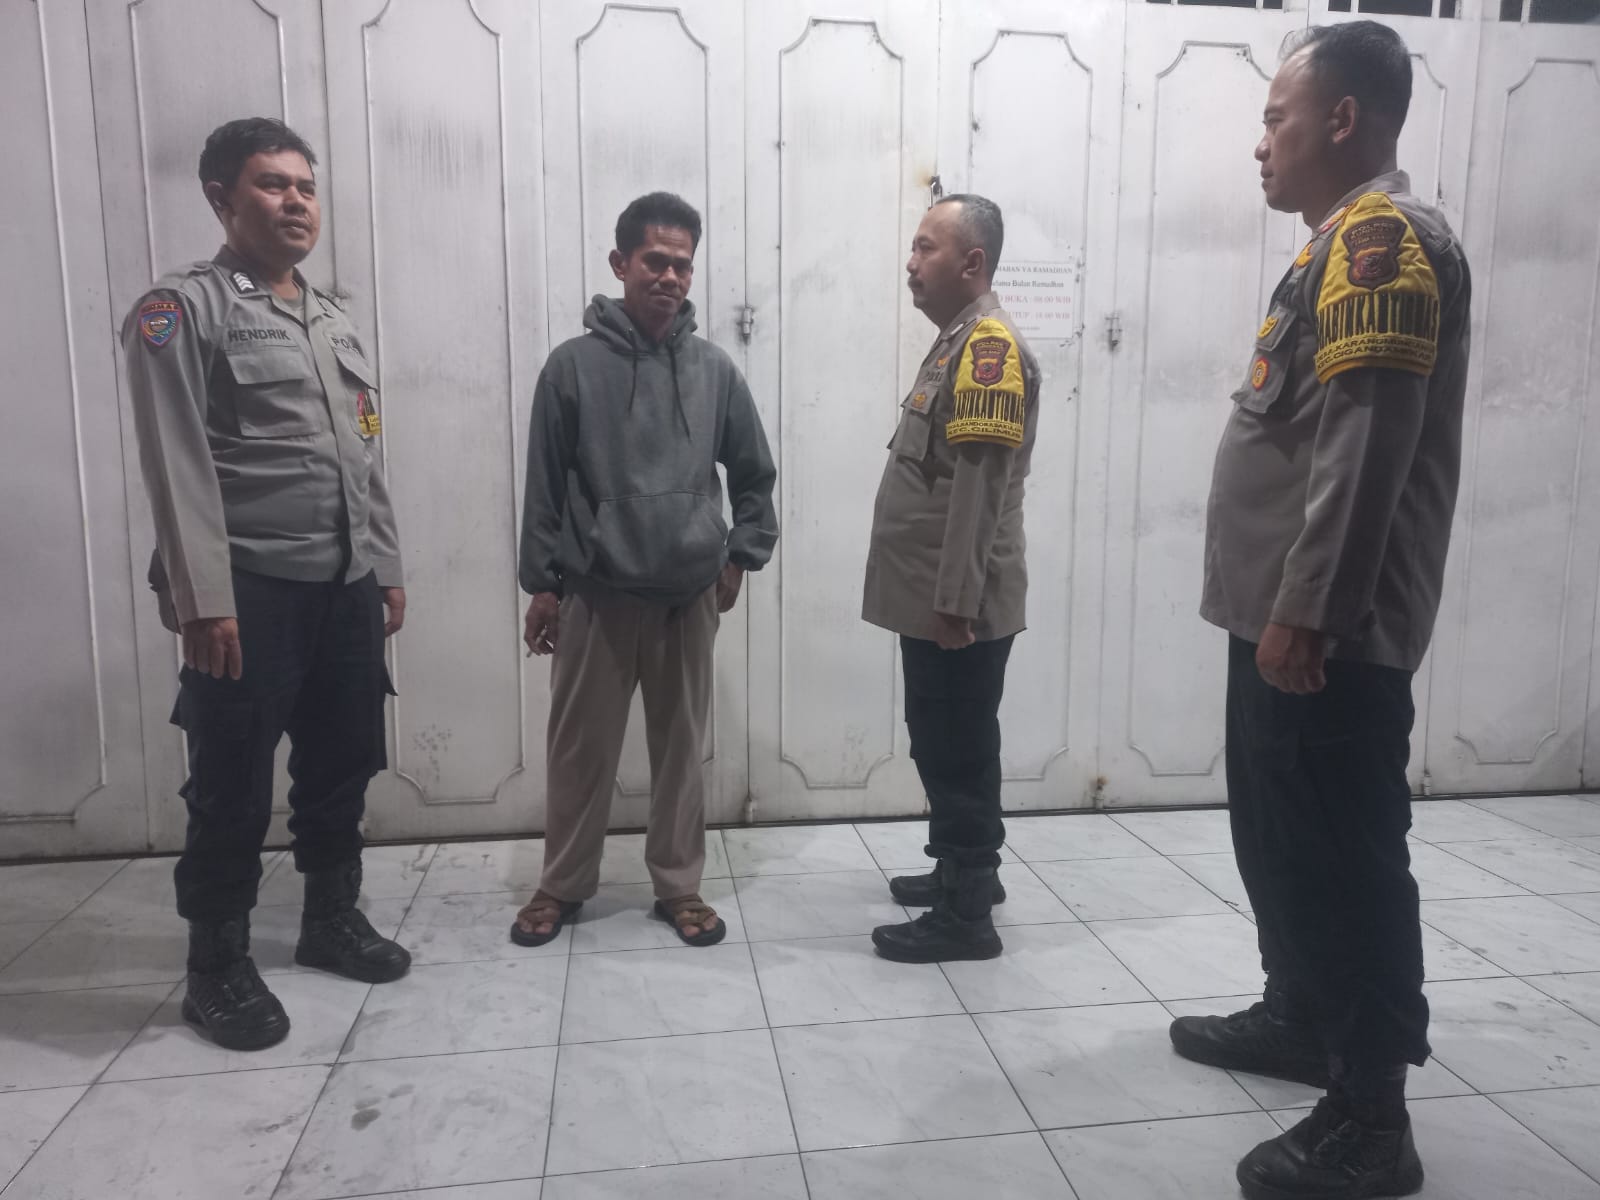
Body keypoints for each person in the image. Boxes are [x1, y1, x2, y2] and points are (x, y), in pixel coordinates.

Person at [1170, 22, 1472, 1200]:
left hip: (1325, 635)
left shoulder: (1383, 242)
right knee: (1281, 839)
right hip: (1280, 619)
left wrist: (1311, 611)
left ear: (1341, 119)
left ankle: (1370, 1116)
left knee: (1344, 860)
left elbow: (1366, 441)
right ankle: (1300, 1014)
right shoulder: (1334, 244)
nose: (1261, 143)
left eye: (1275, 119)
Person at [122, 118, 413, 1052]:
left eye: (306, 187)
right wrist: (201, 598)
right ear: (221, 197)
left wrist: (385, 568)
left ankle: (330, 919)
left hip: (344, 586)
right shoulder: (182, 309)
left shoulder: (333, 320)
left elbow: (364, 454)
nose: (297, 202)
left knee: (343, 759)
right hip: (248, 591)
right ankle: (216, 965)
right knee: (233, 782)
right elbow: (175, 463)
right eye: (273, 184)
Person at [512, 192, 777, 949]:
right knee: (579, 752)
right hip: (596, 593)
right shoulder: (571, 368)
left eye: (682, 265)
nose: (669, 276)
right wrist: (543, 585)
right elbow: (543, 487)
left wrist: (741, 556)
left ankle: (679, 886)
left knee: (681, 752)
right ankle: (561, 884)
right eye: (655, 261)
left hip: (687, 595)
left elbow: (754, 474)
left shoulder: (715, 370)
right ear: (620, 263)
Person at [863, 194, 1040, 964]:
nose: (912, 262)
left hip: (956, 605)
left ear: (972, 262)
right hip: (937, 598)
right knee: (939, 740)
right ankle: (960, 872)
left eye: (926, 248)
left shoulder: (987, 346)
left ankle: (967, 913)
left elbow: (978, 489)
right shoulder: (957, 341)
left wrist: (956, 604)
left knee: (959, 749)